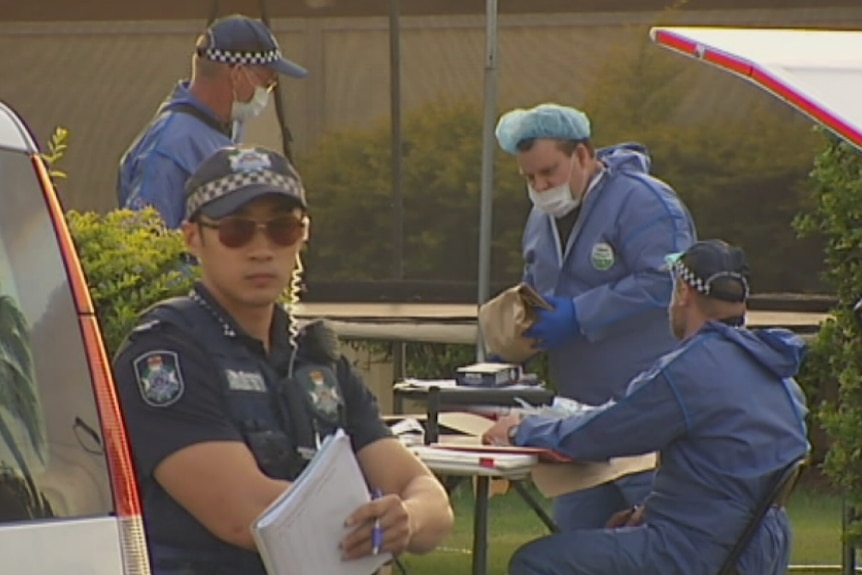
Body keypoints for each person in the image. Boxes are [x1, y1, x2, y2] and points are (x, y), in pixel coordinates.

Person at [112, 144, 454, 575]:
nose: (261, 249)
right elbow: (245, 514)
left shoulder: (315, 357)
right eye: (237, 230)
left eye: (282, 229)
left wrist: (406, 519)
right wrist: (369, 522)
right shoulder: (166, 354)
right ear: (193, 238)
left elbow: (426, 494)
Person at [483, 239, 810, 575]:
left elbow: (603, 432)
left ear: (683, 292)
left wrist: (521, 428)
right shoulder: (777, 371)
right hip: (760, 549)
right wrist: (651, 511)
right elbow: (732, 476)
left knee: (536, 562)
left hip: (699, 551)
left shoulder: (692, 369)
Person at [493, 102, 698, 530]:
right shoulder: (540, 219)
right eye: (529, 178)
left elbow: (668, 281)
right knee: (576, 547)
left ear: (583, 155)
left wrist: (580, 314)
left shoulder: (646, 202)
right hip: (579, 420)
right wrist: (510, 348)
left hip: (647, 413)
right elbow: (537, 293)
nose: (541, 186)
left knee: (661, 543)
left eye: (549, 172)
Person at [117, 14, 307, 228]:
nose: (268, 91)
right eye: (267, 81)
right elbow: (146, 247)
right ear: (237, 74)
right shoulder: (170, 148)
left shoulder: (220, 128)